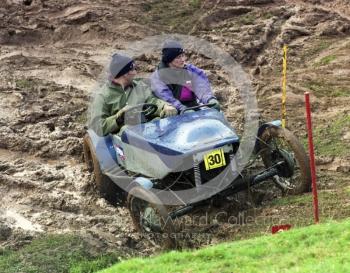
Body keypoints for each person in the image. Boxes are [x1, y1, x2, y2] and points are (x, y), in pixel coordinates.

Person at [91, 53, 177, 136]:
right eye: (132, 70)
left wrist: (164, 106)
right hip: (123, 137)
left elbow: (152, 101)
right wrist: (118, 118)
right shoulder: (102, 96)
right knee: (128, 130)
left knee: (164, 122)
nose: (135, 73)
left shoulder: (139, 86)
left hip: (145, 127)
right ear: (124, 74)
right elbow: (98, 127)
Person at [150, 40, 220, 113]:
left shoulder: (189, 69)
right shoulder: (158, 77)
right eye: (178, 57)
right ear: (169, 60)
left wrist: (209, 98)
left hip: (194, 107)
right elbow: (165, 97)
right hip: (173, 113)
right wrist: (182, 109)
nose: (183, 60)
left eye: (183, 55)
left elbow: (200, 84)